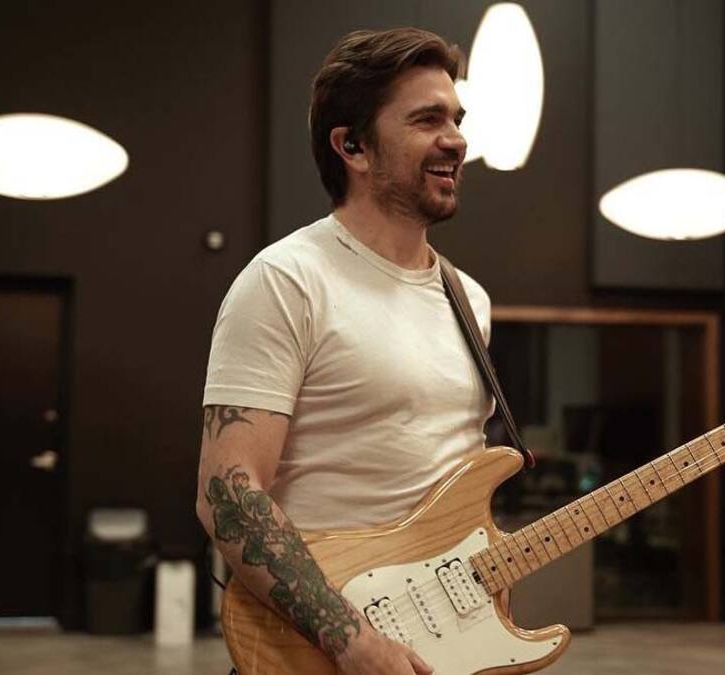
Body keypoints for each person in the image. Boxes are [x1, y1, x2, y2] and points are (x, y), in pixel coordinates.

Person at [195, 27, 493, 675]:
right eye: (427, 120)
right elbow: (227, 493)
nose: (456, 139)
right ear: (352, 146)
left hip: (442, 646)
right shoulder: (287, 280)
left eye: (457, 119)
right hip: (321, 652)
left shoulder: (469, 300)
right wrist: (352, 640)